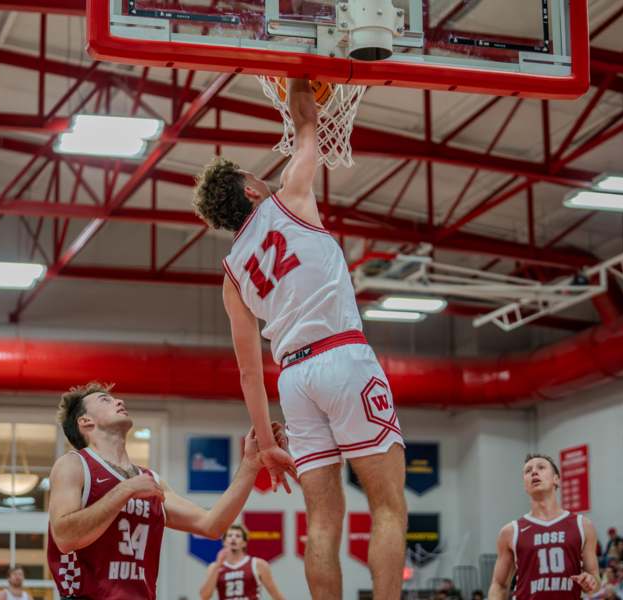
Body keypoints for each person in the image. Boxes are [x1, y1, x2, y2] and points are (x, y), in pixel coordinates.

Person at [193, 78, 407, 600]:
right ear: (250, 191)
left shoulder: (231, 276)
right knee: (387, 506)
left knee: (323, 519)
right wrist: (298, 76)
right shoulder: (290, 194)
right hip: (342, 355)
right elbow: (307, 125)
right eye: (252, 176)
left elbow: (249, 371)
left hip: (294, 379)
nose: (260, 177)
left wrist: (268, 446)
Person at [47, 383, 287, 600]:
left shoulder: (150, 481)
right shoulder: (75, 464)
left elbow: (211, 525)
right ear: (85, 421)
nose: (119, 401)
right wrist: (125, 490)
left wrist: (250, 464)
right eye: (105, 400)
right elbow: (65, 538)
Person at [487, 454, 600, 600]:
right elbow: (499, 585)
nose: (534, 472)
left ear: (556, 479)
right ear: (525, 485)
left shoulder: (583, 525)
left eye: (541, 467)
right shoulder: (510, 532)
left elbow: (595, 581)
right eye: (528, 471)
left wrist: (591, 582)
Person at [199, 524, 285, 600]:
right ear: (224, 542)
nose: (233, 538)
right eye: (230, 535)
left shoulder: (258, 564)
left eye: (238, 536)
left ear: (244, 543)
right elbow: (204, 596)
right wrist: (218, 565)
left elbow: (276, 595)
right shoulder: (214, 567)